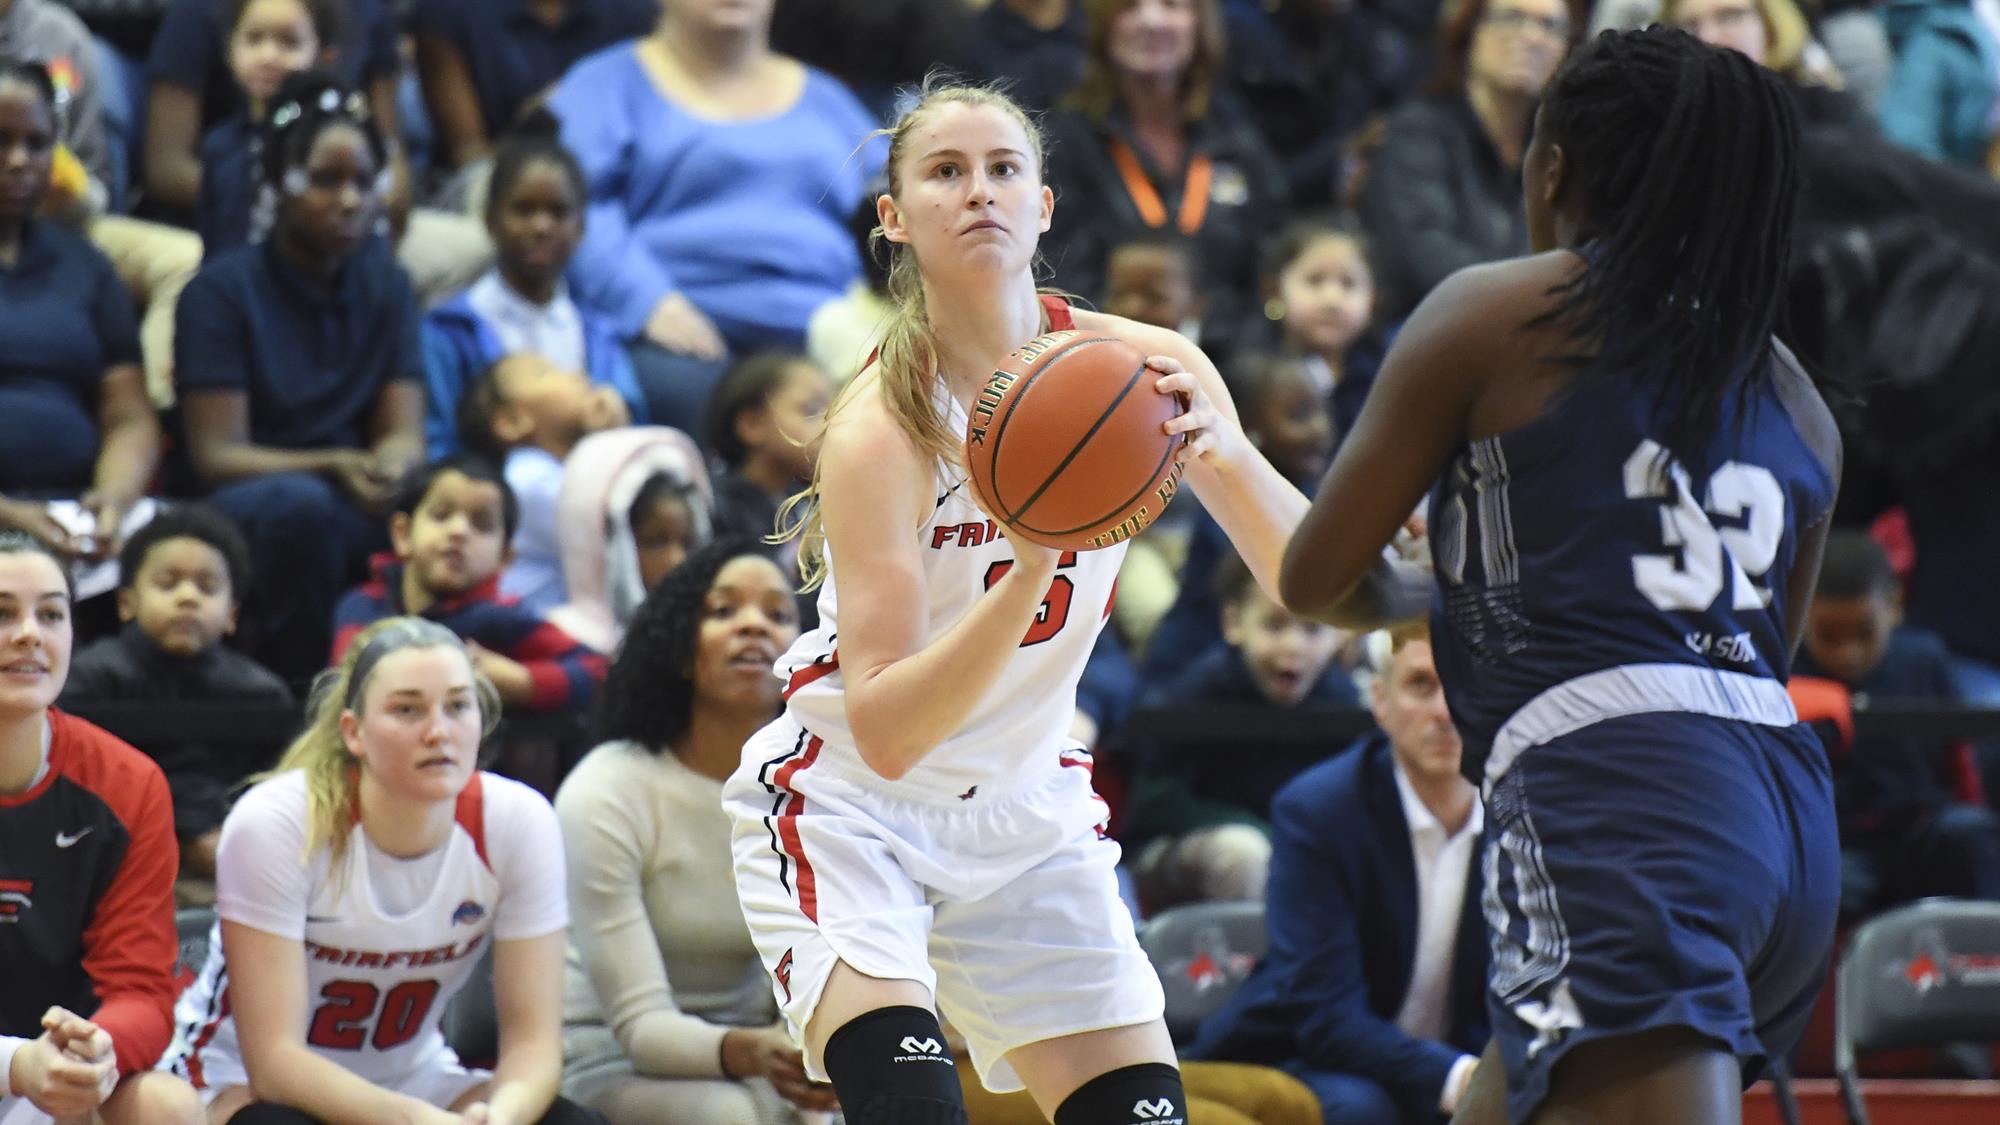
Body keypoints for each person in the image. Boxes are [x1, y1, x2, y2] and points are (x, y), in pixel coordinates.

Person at [721, 79, 1310, 1125]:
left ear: (1042, 206)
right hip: (855, 808)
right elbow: (891, 731)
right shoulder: (879, 430)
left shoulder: (1148, 370)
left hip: (1026, 813)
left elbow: (1305, 579)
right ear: (894, 219)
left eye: (1003, 170)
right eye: (944, 173)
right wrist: (1037, 560)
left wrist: (1233, 459)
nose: (978, 192)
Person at [1281, 27, 1842, 1125]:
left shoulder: (1501, 312)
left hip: (1626, 803)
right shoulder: (1796, 398)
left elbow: (1315, 578)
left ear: (1549, 170)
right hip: (1784, 820)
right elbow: (1731, 635)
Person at [160, 616, 597, 1125]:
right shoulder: (277, 824)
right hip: (241, 1079)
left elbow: (535, 1045)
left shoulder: (519, 822)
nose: (439, 731)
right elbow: (275, 1064)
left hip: (414, 1079)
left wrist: (501, 1116)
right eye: (407, 709)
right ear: (354, 732)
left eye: (458, 706)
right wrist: (413, 1121)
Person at [556, 539, 836, 1124]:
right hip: (610, 1060)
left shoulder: (816, 793)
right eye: (723, 610)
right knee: (727, 1117)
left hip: (763, 1059)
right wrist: (757, 1053)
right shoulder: (608, 789)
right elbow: (640, 1028)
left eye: (779, 614)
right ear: (681, 648)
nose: (754, 626)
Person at [173, 70, 426, 681]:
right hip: (251, 496)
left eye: (364, 183)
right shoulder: (220, 292)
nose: (348, 200)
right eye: (325, 180)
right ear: (280, 186)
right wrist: (333, 464)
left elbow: (404, 429)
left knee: (451, 497)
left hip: (346, 490)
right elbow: (217, 453)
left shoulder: (390, 287)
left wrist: (391, 463)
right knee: (302, 511)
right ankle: (297, 698)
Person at [1191, 624, 1489, 1125]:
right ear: (1380, 701)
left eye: (1465, 685)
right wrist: (1463, 1078)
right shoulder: (1320, 811)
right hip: (1306, 1056)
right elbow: (1325, 1017)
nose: (1445, 710)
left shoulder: (1529, 814)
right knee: (1362, 1110)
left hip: (1454, 1062)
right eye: (1421, 685)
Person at [547, 0, 881, 432]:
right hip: (679, 332)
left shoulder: (829, 101)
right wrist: (643, 301)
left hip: (831, 329)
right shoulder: (603, 86)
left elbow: (892, 209)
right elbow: (574, 206)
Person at [0, 530, 205, 1125]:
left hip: (52, 1076)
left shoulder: (128, 783)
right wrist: (17, 1065)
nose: (29, 634)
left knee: (166, 1108)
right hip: (21, 1067)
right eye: (3, 613)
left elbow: (141, 988)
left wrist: (97, 1048)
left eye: (51, 614)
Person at [60, 505, 293, 885]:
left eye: (207, 587)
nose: (188, 597)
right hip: (105, 848)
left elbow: (274, 796)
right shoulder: (87, 680)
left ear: (232, 612)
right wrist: (188, 831)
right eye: (168, 583)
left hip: (227, 853)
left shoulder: (262, 695)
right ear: (126, 603)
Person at [1042, 0, 1288, 354]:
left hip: (1235, 362)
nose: (1152, 20)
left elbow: (1270, 259)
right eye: (1130, 6)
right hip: (1104, 359)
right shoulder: (1067, 140)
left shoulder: (1236, 133)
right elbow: (1060, 281)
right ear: (1103, 25)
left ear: (1199, 26)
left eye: (1171, 4)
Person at [1125, 552, 1357, 910]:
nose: (1293, 646)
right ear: (1233, 622)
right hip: (1179, 852)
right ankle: (1250, 964)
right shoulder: (1191, 696)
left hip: (1298, 850)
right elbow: (1154, 804)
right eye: (1275, 626)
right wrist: (1267, 833)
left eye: (1312, 629)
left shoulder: (1348, 705)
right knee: (1244, 853)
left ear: (1338, 633)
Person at [0, 60, 160, 562]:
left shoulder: (85, 265)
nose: (19, 160)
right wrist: (10, 518)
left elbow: (130, 417)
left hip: (70, 518)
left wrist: (111, 499)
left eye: (36, 143)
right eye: (1, 140)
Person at [1793, 529, 2000, 914]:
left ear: (1894, 605)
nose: (1848, 653)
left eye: (1863, 632)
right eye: (1829, 636)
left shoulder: (1923, 660)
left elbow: (1961, 766)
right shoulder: (1787, 674)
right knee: (1810, 878)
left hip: (1918, 833)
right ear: (1802, 613)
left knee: (1970, 835)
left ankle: (1985, 965)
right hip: (1838, 843)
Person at [422, 112, 648, 462]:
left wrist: (619, 417)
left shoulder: (598, 336)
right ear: (490, 219)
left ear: (581, 227)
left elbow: (635, 427)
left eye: (558, 212)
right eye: (524, 210)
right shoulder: (448, 332)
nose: (541, 226)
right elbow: (438, 445)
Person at [1356, 0, 1583, 324]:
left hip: (1528, 332)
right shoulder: (1417, 132)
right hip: (1425, 332)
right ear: (1470, 32)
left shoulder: (1561, 150)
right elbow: (1420, 259)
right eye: (1512, 17)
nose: (1532, 37)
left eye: (1550, 26)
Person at [331, 456, 607, 716]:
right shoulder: (363, 605)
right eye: (441, 515)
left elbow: (599, 671)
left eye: (482, 525)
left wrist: (520, 682)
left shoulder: (502, 621)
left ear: (504, 558)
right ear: (402, 534)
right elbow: (346, 684)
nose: (459, 531)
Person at [457, 354, 635, 614]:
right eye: (544, 373)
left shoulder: (563, 473)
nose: (574, 373)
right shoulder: (528, 482)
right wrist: (615, 436)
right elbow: (624, 528)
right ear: (513, 423)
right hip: (531, 640)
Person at [546, 427, 714, 655]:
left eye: (687, 543)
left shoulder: (709, 638)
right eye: (655, 543)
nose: (678, 560)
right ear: (606, 545)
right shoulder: (563, 642)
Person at [702, 353, 832, 565]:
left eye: (833, 409)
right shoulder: (719, 510)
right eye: (812, 410)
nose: (830, 423)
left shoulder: (808, 500)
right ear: (752, 424)